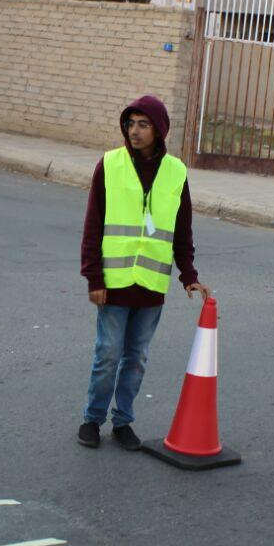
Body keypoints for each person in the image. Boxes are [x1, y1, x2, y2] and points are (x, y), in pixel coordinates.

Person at [78, 95, 210, 451]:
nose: (133, 131)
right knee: (107, 354)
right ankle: (92, 419)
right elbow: (93, 224)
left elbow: (182, 229)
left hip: (151, 284)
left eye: (142, 124)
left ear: (159, 130)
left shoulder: (176, 172)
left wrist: (188, 274)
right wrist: (94, 277)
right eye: (130, 123)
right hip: (114, 283)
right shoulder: (109, 165)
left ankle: (123, 422)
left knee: (136, 358)